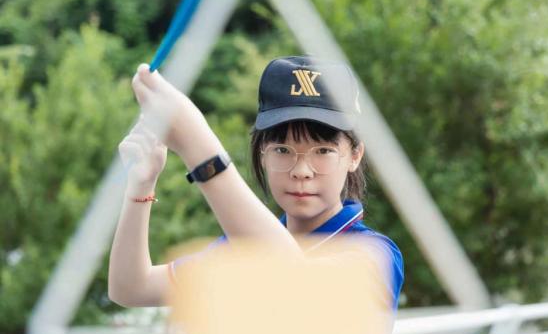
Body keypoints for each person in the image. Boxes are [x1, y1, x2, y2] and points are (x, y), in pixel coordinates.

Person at [108, 55, 404, 310]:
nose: (301, 171)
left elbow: (297, 284)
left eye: (323, 151)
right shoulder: (238, 248)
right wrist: (142, 184)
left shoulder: (374, 255)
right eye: (282, 150)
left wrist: (198, 147)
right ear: (262, 154)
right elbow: (131, 288)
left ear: (355, 156)